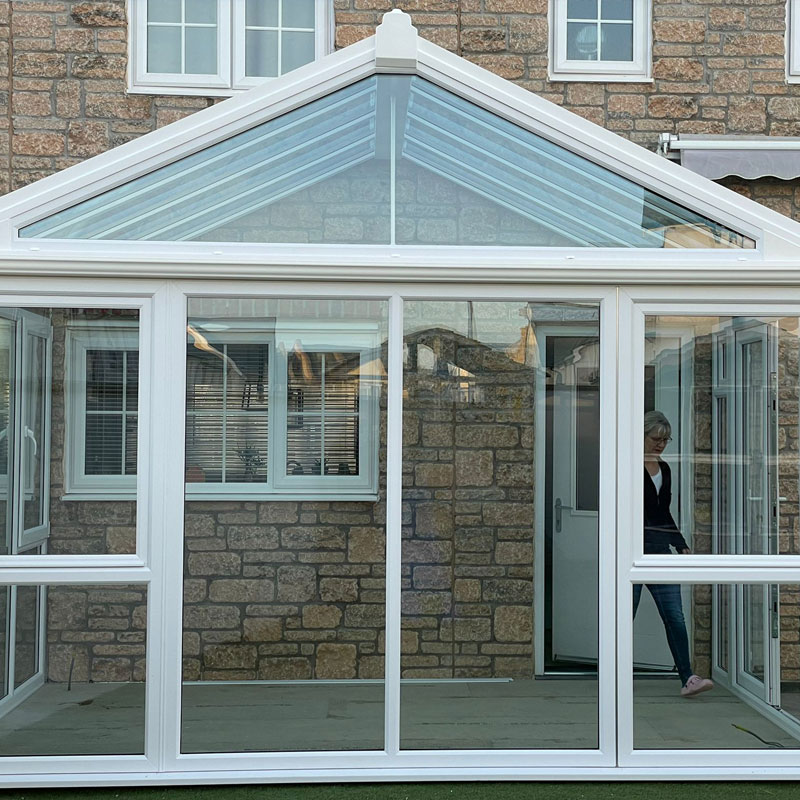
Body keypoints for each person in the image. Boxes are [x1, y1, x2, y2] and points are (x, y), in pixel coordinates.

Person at [637, 410, 713, 698]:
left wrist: (679, 543)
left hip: (660, 551)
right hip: (631, 551)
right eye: (655, 438)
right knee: (622, 615)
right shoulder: (627, 465)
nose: (660, 444)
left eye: (665, 440)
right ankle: (611, 678)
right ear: (641, 436)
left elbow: (663, 511)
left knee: (675, 617)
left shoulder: (665, 469)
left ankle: (688, 679)